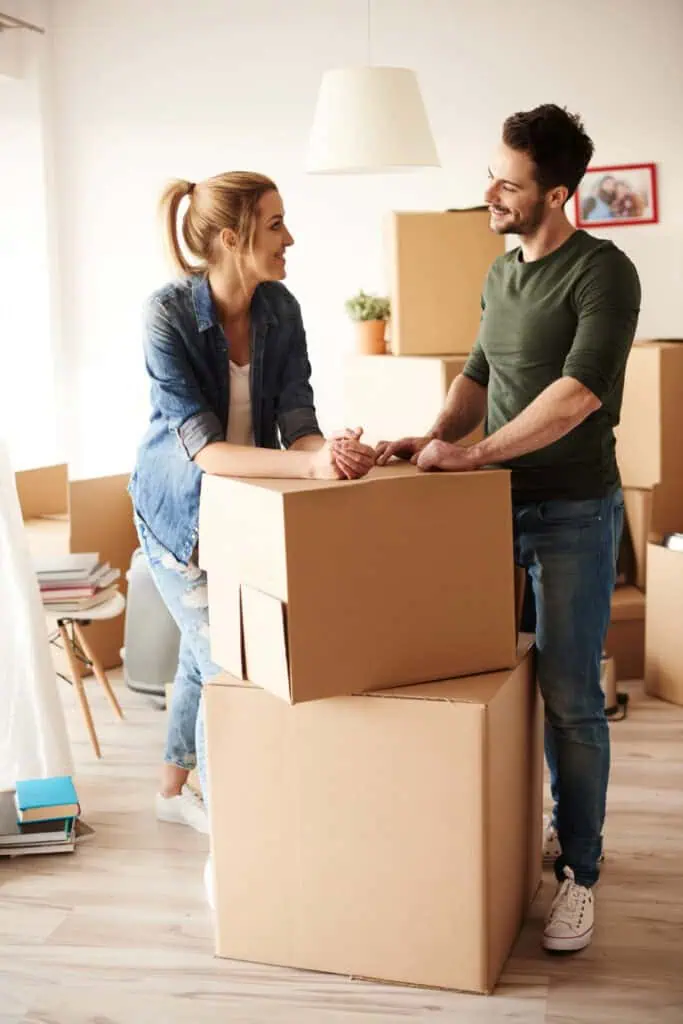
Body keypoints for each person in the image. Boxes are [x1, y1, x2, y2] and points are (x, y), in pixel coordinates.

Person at [376, 104, 640, 954]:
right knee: (483, 690)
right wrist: (436, 437)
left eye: (509, 180)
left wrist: (479, 451)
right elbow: (478, 371)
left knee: (569, 699)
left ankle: (581, 872)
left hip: (569, 513)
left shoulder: (603, 273)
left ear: (556, 194)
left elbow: (580, 391)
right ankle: (503, 842)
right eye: (491, 170)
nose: (489, 189)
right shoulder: (500, 275)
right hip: (483, 515)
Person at [129, 171, 375, 836]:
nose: (289, 237)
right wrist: (308, 465)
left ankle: (170, 789)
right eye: (275, 224)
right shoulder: (168, 315)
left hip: (242, 510)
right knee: (226, 656)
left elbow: (298, 415)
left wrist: (333, 453)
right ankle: (230, 824)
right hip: (176, 515)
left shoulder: (280, 309)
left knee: (198, 646)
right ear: (233, 238)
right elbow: (204, 451)